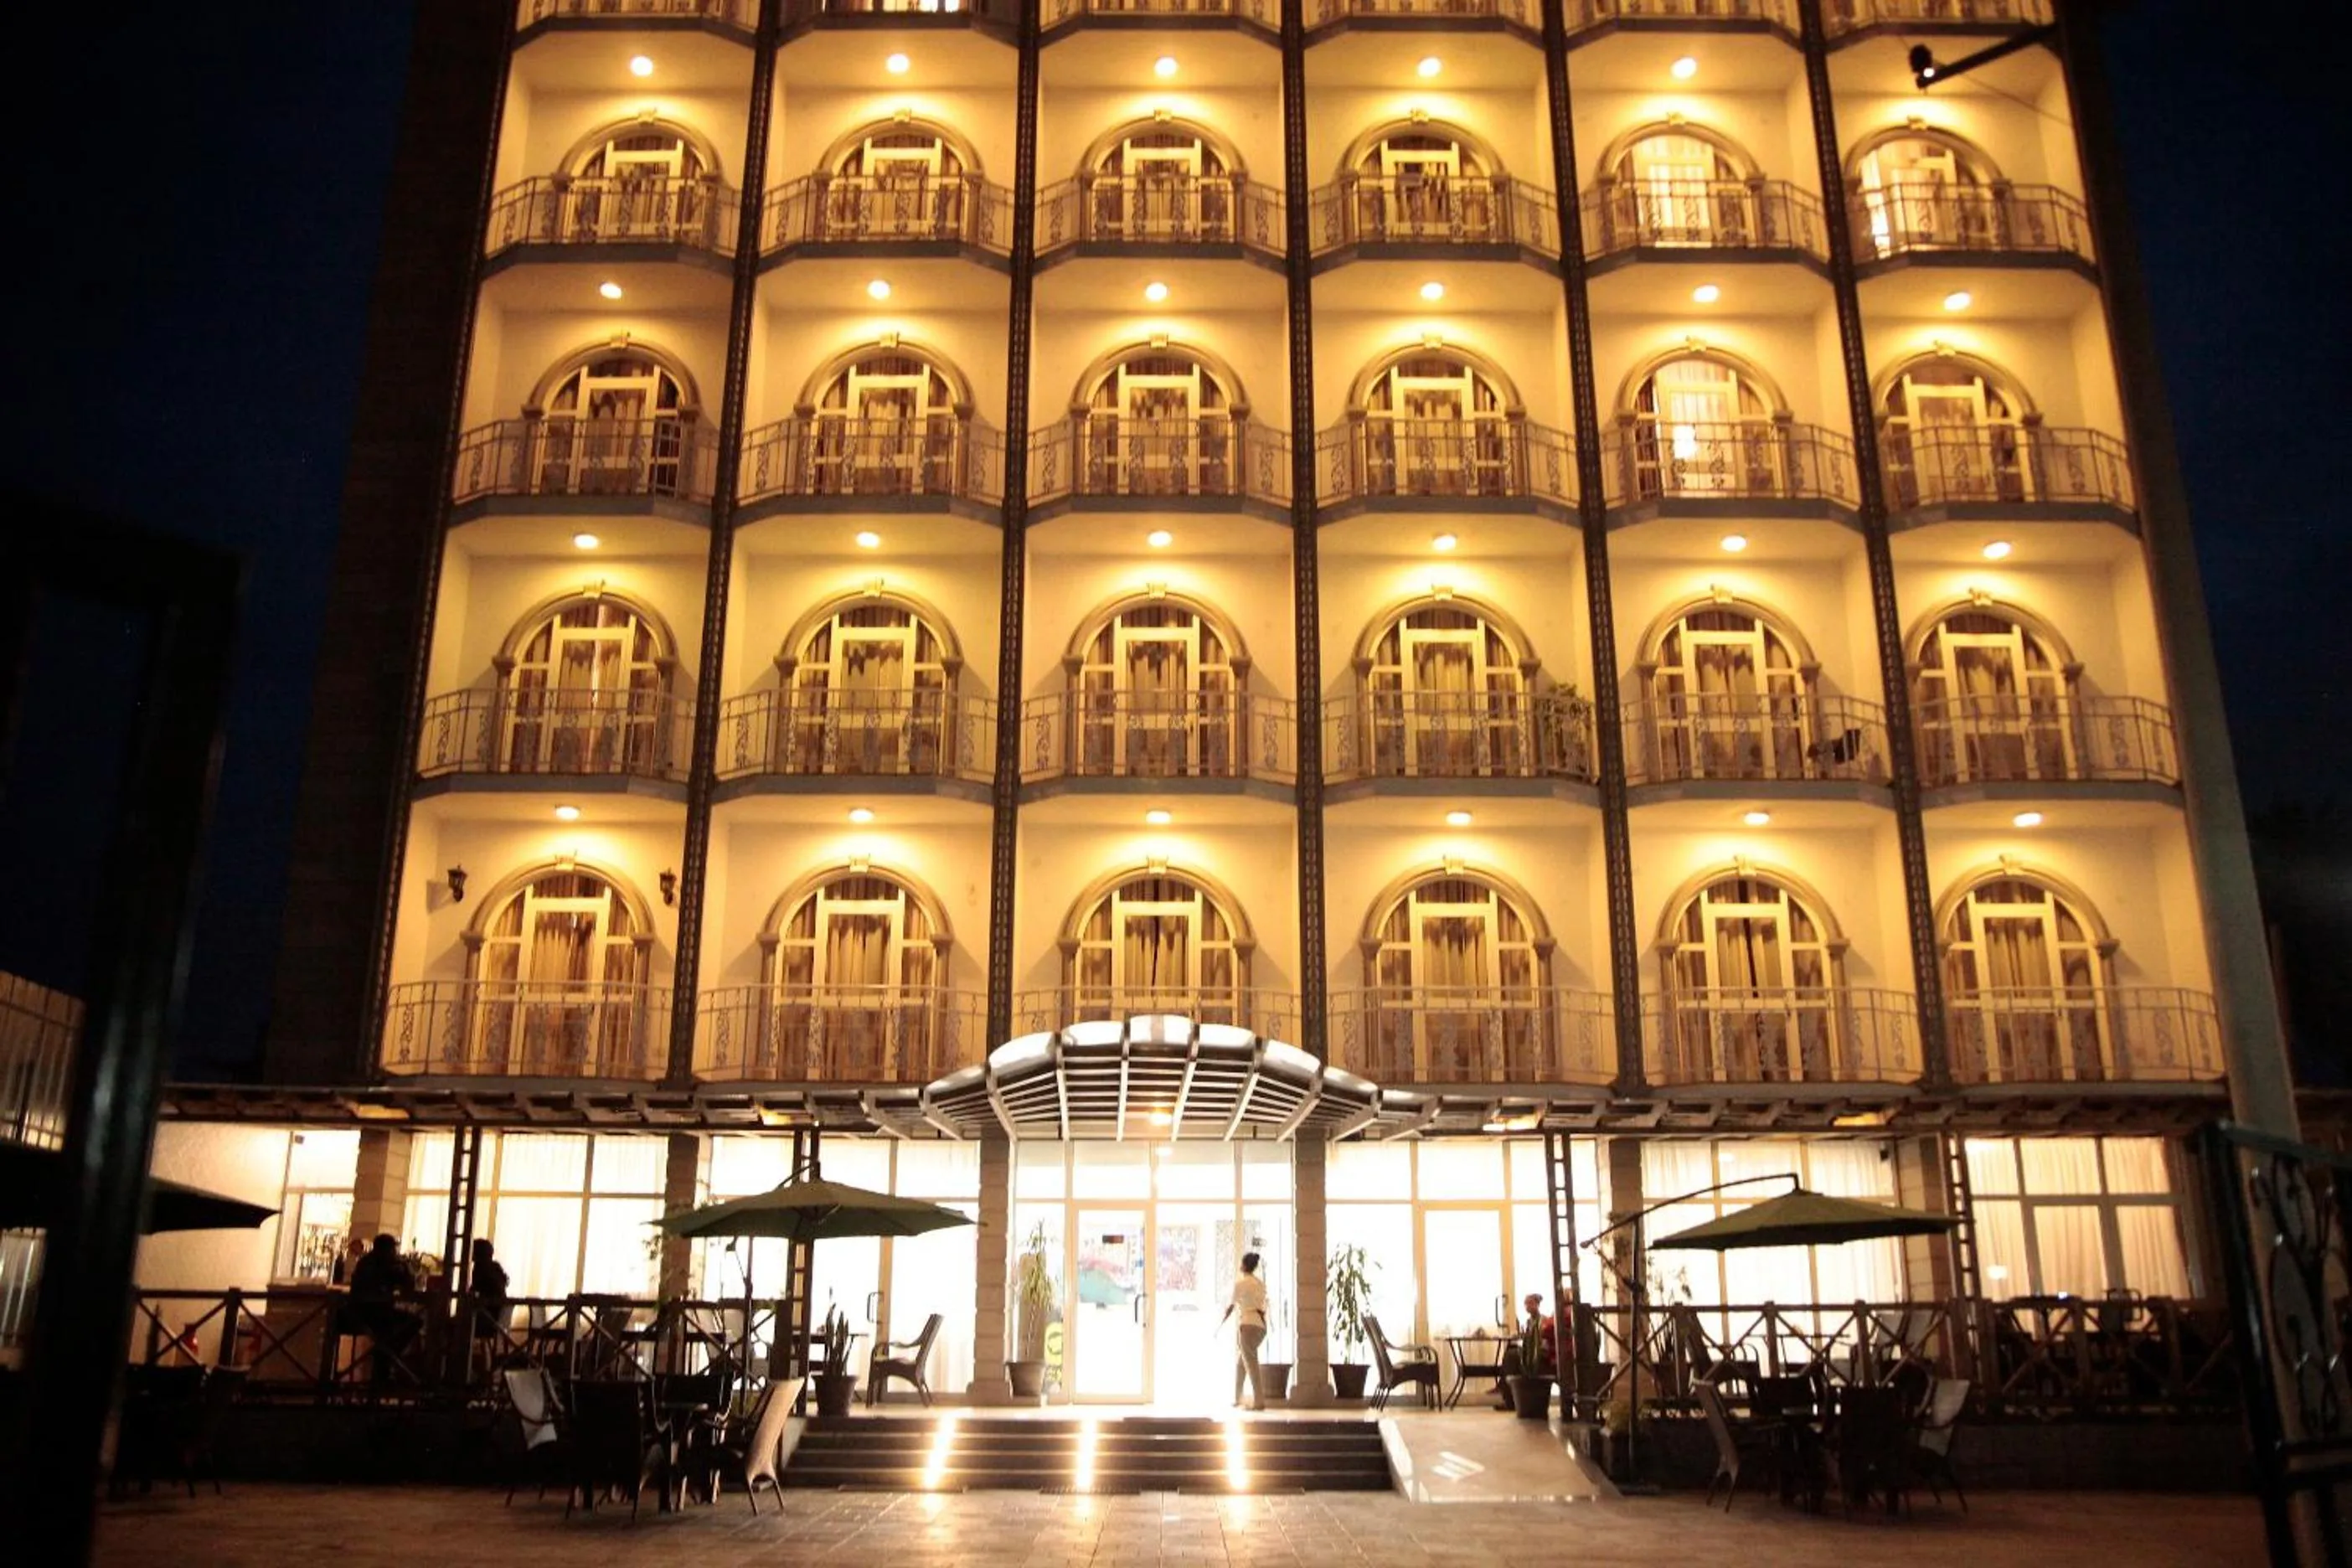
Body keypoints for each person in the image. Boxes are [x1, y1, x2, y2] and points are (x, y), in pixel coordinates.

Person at [348, 1234, 420, 1390]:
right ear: (388, 1249)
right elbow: (409, 1285)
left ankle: (385, 1358)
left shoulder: (367, 1262)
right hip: (373, 1315)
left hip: (360, 1313)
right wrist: (405, 1265)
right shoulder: (384, 1265)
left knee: (395, 1330)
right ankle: (388, 1357)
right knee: (413, 1322)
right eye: (394, 1248)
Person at [1218, 1251, 1270, 1412]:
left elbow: (1232, 1305)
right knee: (1243, 1363)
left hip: (1247, 1325)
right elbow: (1262, 1305)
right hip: (1260, 1326)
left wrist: (1221, 1322)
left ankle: (1259, 1401)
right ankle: (1238, 1397)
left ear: (1244, 1265)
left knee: (1251, 1364)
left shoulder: (1241, 1283)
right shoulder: (1260, 1283)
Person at [468, 1238, 511, 1369]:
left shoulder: (481, 1269)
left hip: (486, 1319)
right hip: (497, 1320)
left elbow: (473, 1292)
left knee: (451, 1326)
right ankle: (484, 1369)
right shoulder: (496, 1268)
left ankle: (457, 1367)